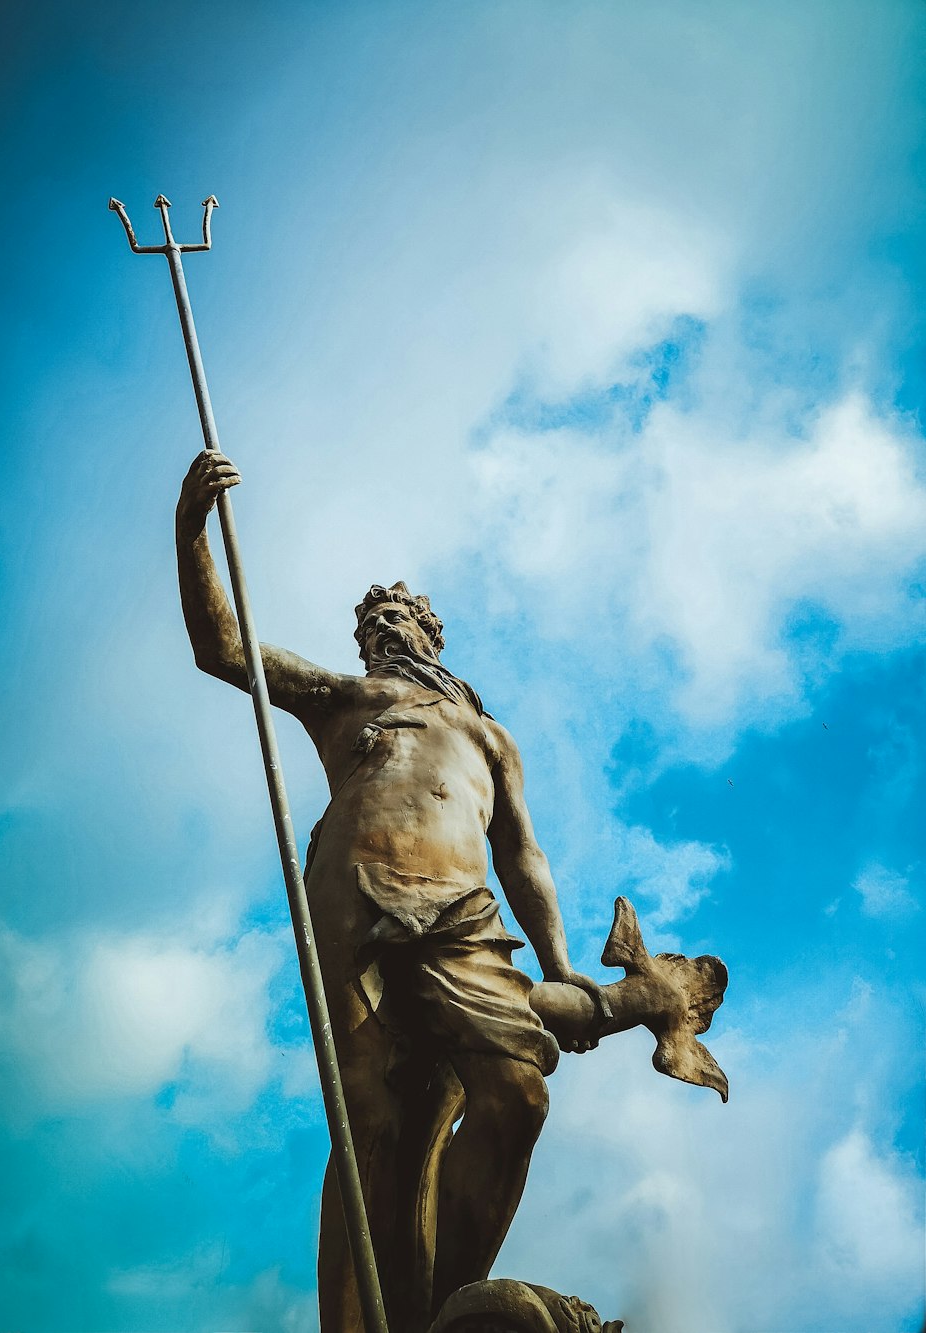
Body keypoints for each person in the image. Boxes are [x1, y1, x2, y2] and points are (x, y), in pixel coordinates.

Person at [175, 450, 609, 1333]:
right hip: (361, 895)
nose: (380, 629)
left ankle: (438, 1309)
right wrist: (191, 530)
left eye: (395, 616)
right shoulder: (344, 696)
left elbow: (522, 850)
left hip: (466, 914)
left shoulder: (489, 737)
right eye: (370, 621)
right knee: (368, 1110)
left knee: (517, 1094)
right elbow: (222, 649)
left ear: (430, 632)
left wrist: (563, 967)